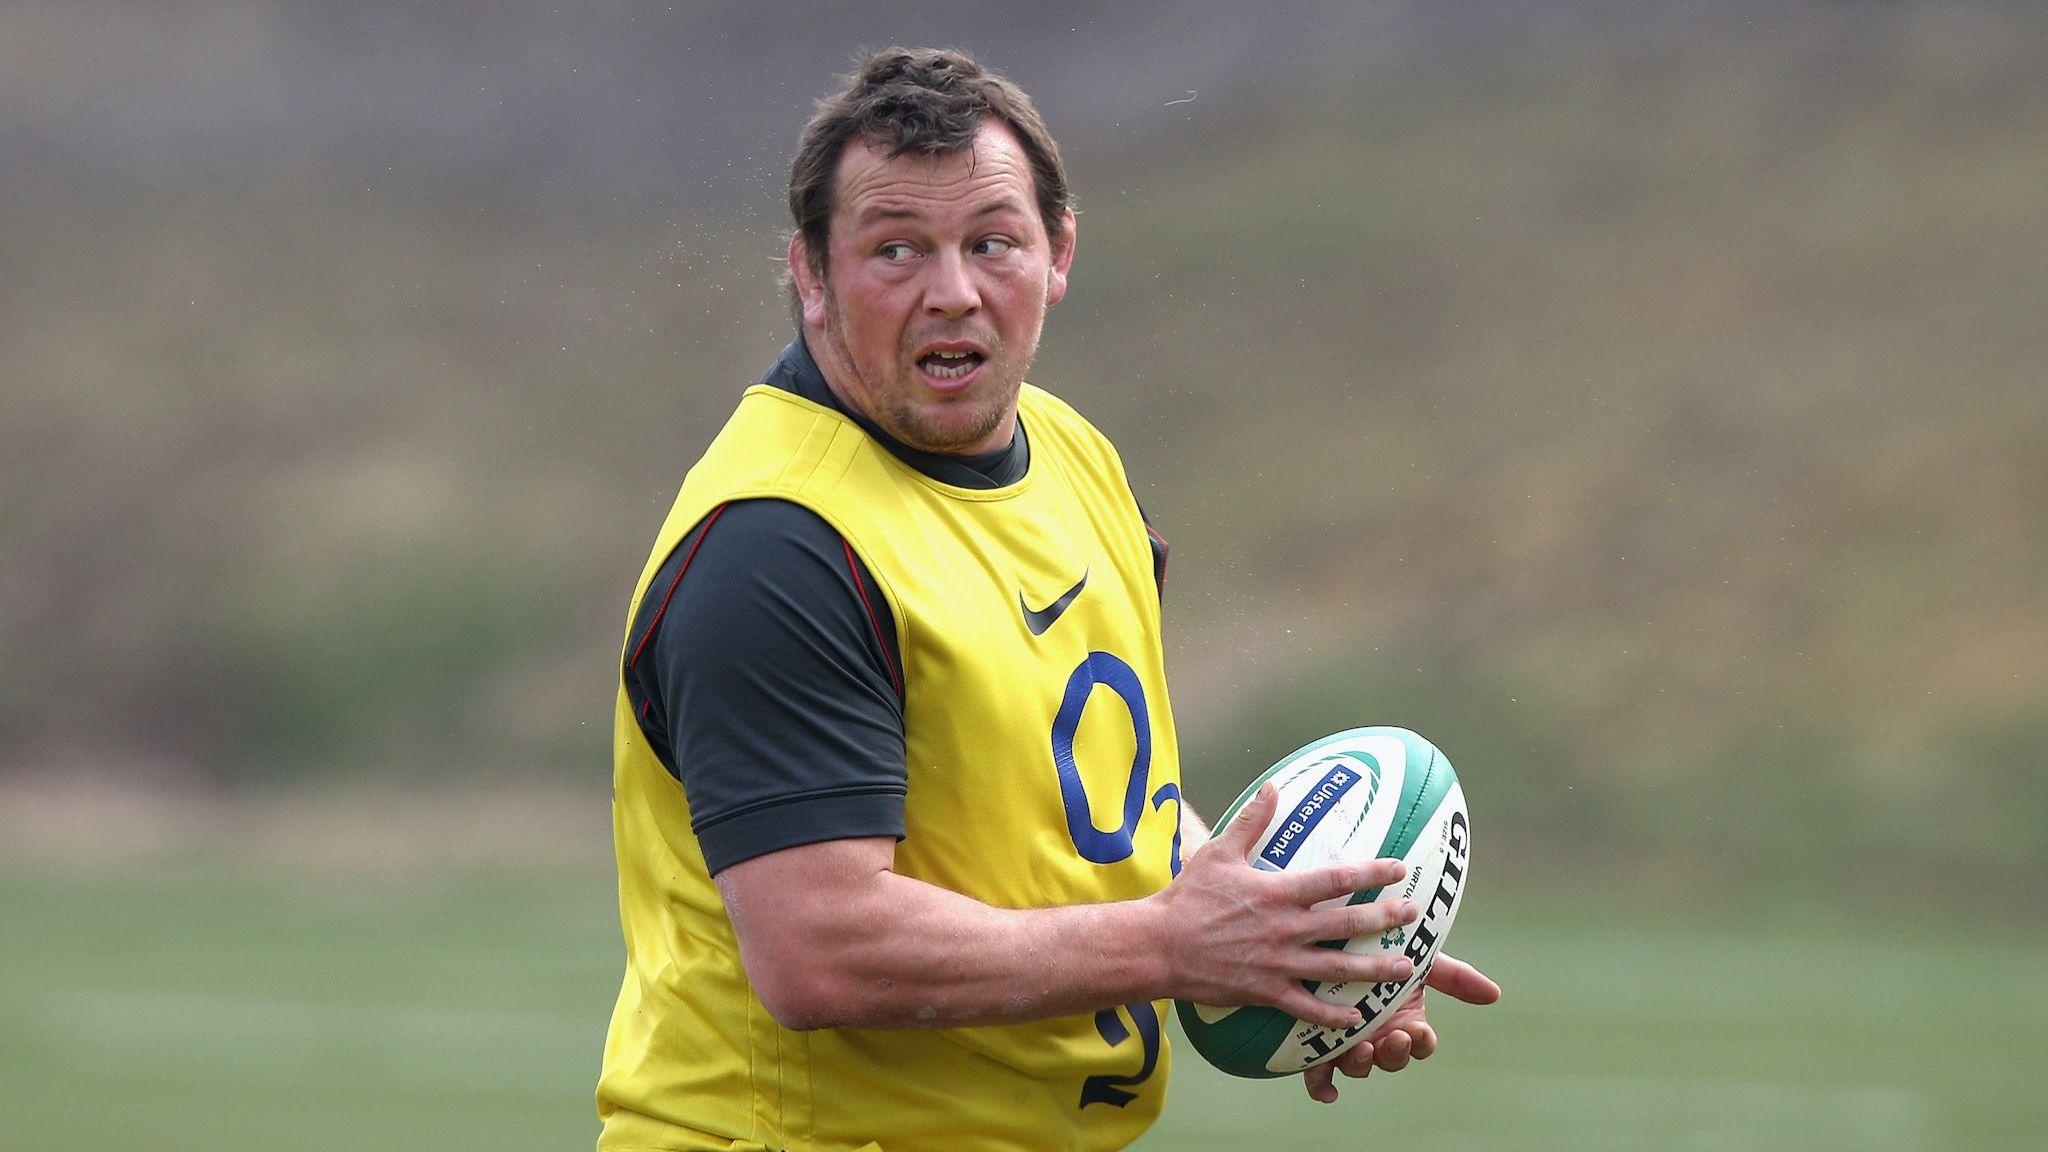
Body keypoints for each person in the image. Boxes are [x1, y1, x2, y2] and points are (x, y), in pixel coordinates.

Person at [596, 46, 1499, 1152]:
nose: (952, 290)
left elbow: (1105, 812)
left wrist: (1293, 944)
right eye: (895, 250)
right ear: (811, 276)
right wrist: (1177, 947)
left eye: (992, 243)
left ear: (1058, 251)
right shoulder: (780, 546)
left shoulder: (1071, 456)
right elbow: (818, 948)